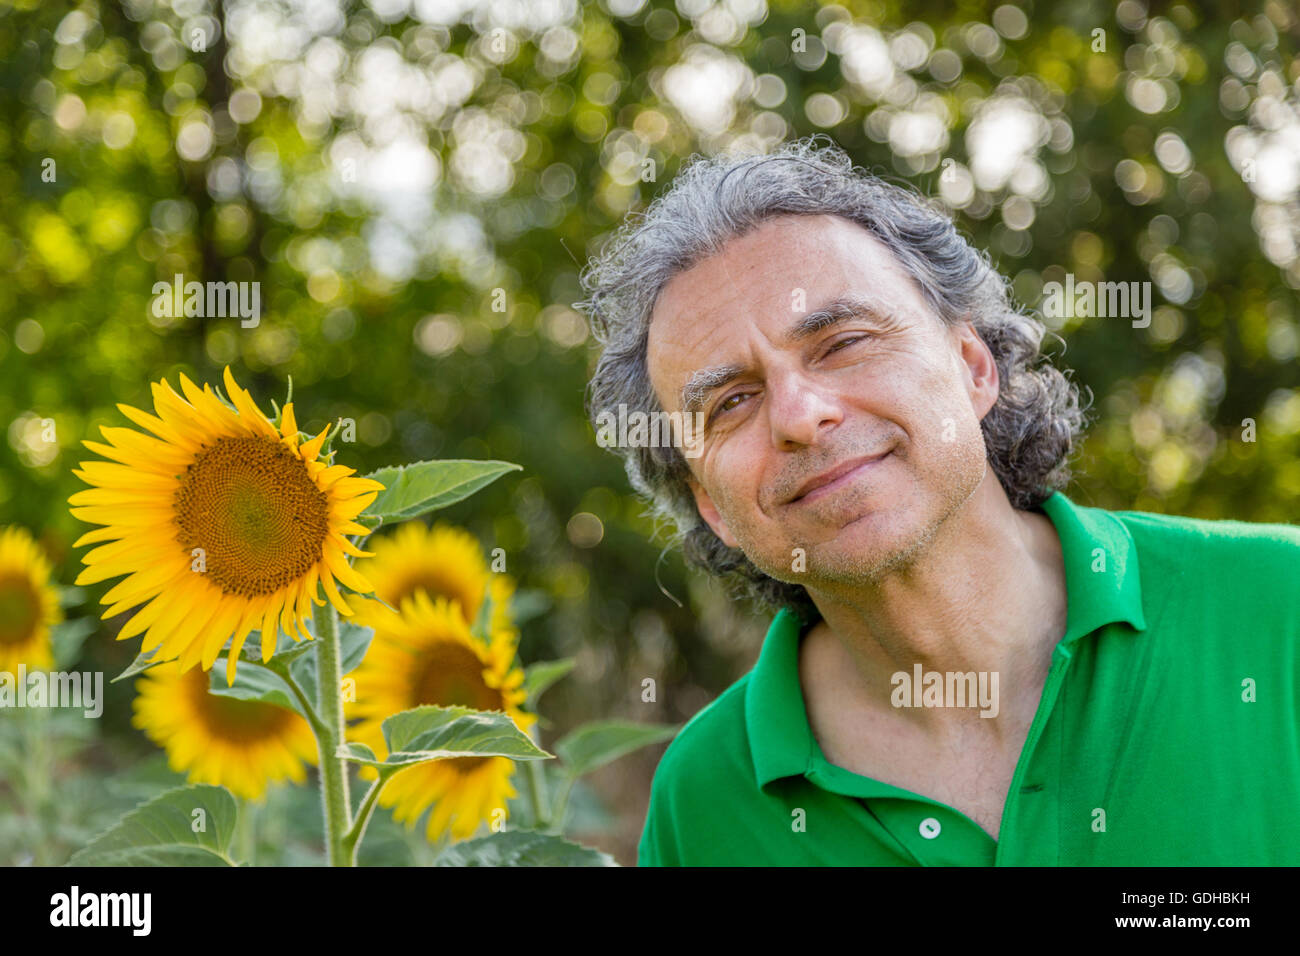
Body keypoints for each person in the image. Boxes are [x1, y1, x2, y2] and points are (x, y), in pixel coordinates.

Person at [577, 137, 1300, 866]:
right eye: (732, 401)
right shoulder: (703, 807)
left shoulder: (1277, 610)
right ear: (711, 505)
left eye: (842, 342)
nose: (799, 416)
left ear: (972, 366)